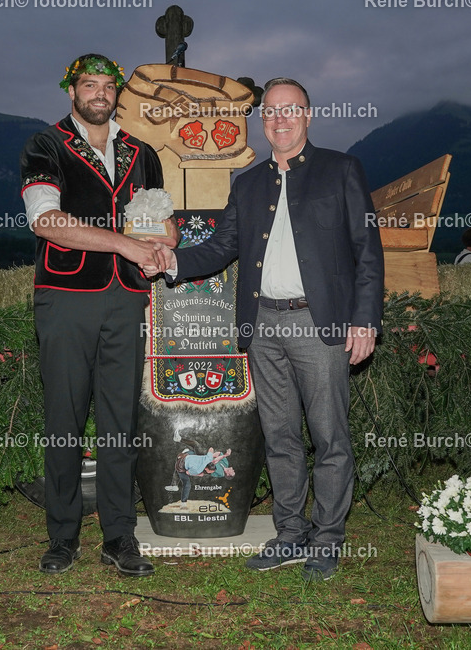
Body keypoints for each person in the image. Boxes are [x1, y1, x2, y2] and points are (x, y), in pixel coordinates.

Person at [146, 78, 384, 581]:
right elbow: (218, 248)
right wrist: (170, 259)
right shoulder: (248, 184)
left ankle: (328, 538)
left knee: (329, 436)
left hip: (322, 326)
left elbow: (368, 250)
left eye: (290, 110)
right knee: (279, 438)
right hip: (263, 325)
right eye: (271, 112)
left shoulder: (342, 170)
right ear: (263, 121)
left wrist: (365, 320)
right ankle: (290, 533)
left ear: (308, 116)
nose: (279, 119)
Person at [20, 53, 178, 577]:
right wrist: (131, 247)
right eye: (88, 85)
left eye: (107, 86)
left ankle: (119, 536)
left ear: (117, 94)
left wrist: (159, 247)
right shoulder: (47, 145)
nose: (98, 94)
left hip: (126, 297)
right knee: (64, 418)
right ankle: (63, 537)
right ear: (72, 92)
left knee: (120, 422)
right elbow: (46, 221)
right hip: (66, 294)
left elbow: (163, 225)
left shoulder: (143, 152)